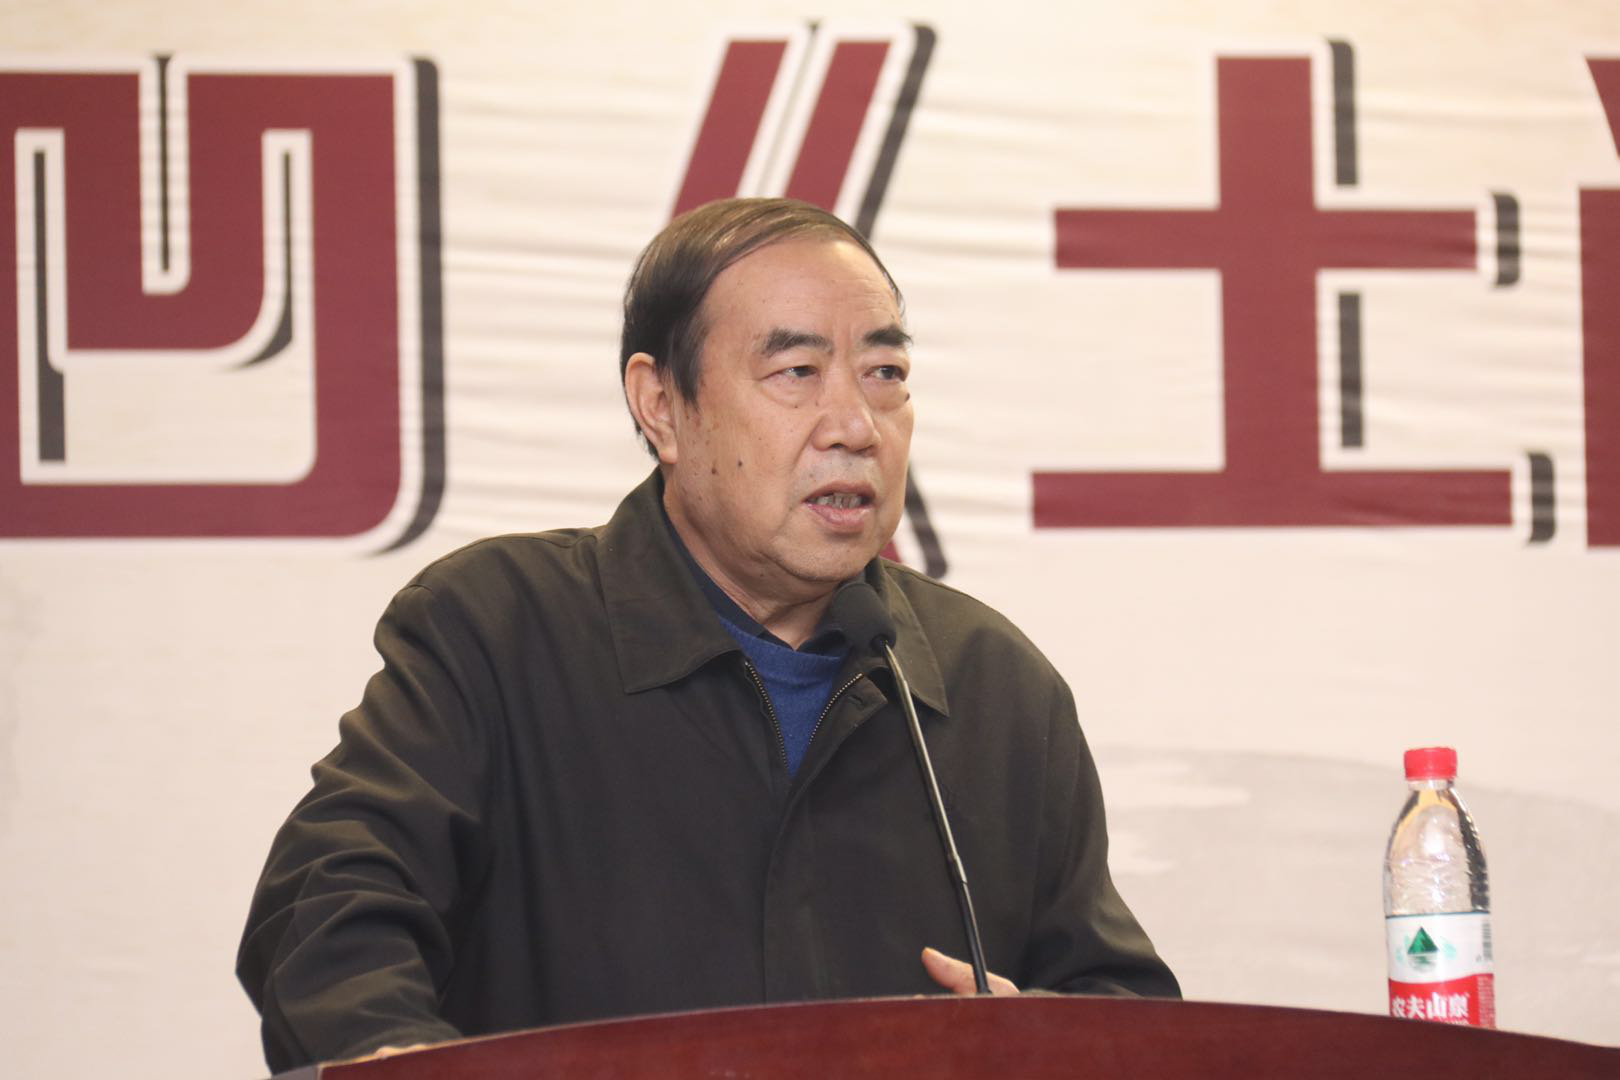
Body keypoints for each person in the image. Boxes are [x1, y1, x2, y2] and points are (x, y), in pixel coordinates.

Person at [236, 197, 1178, 1070]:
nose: (855, 425)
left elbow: (1124, 1008)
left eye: (885, 374)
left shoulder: (994, 686)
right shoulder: (499, 629)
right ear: (662, 406)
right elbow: (327, 909)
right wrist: (398, 1057)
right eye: (796, 373)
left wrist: (1052, 1045)